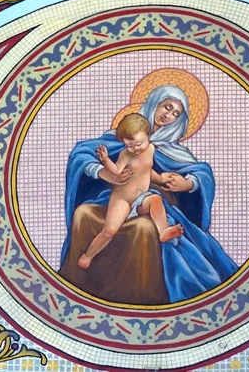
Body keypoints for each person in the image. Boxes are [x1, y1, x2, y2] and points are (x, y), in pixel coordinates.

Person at [60, 84, 238, 303]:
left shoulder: (172, 150)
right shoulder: (121, 138)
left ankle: (146, 296)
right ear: (155, 102)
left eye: (176, 114)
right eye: (167, 107)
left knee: (145, 228)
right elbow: (81, 155)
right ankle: (83, 280)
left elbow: (201, 173)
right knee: (84, 213)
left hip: (153, 205)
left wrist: (187, 183)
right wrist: (102, 172)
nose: (169, 115)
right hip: (115, 200)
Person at [77, 113, 184, 270]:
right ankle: (89, 255)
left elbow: (147, 170)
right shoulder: (126, 155)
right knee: (109, 231)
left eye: (138, 144)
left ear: (148, 136)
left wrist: (161, 179)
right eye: (129, 145)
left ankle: (163, 232)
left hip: (142, 199)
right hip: (123, 200)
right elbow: (116, 171)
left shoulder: (151, 149)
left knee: (156, 199)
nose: (135, 149)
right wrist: (106, 160)